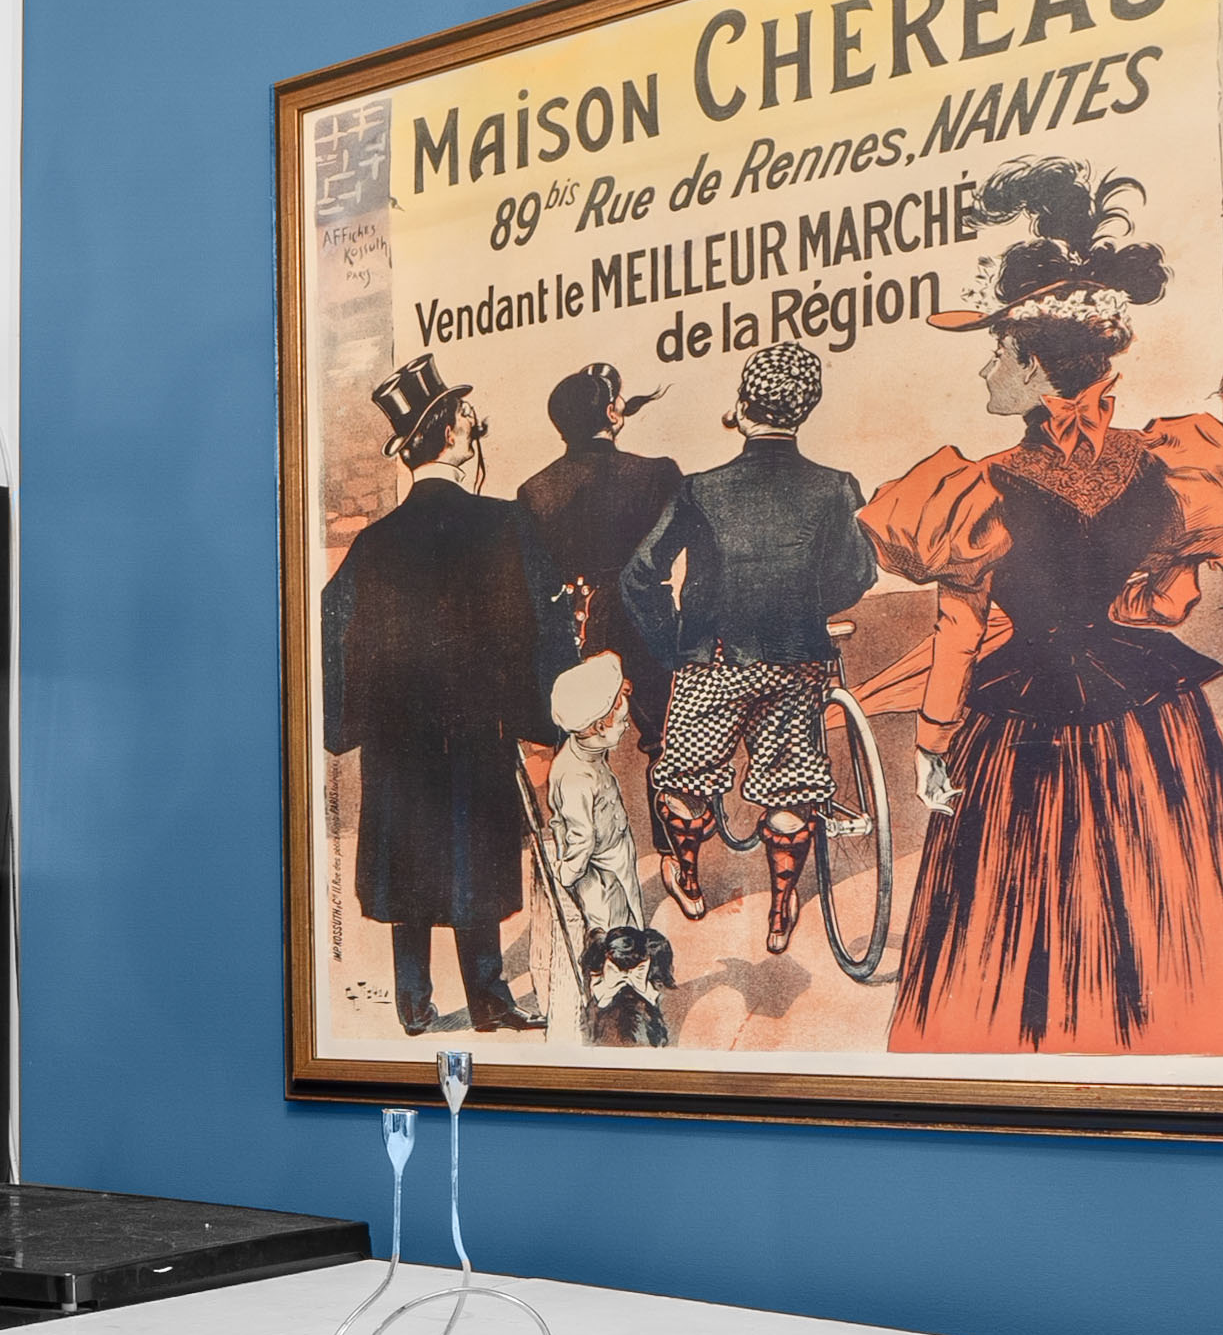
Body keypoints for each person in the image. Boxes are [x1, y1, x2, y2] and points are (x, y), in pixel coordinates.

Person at [862, 162, 1223, 1056]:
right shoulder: (1163, 468)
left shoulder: (979, 490)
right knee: (1159, 884)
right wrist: (1193, 556)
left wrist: (931, 744)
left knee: (1014, 905)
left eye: (995, 351)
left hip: (1018, 728)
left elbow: (957, 632)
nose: (988, 368)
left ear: (1031, 364)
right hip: (1147, 726)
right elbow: (1144, 608)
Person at [321, 352, 574, 1035]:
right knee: (472, 854)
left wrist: (346, 724)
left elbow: (330, 623)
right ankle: (487, 996)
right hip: (475, 729)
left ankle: (411, 1001)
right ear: (454, 437)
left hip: (397, 738)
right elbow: (539, 624)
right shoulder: (503, 523)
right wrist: (540, 721)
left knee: (409, 858)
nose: (473, 424)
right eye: (466, 416)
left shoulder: (371, 544)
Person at [625, 339, 879, 952]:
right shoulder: (837, 487)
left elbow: (639, 574)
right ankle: (783, 905)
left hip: (711, 662)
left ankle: (687, 875)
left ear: (743, 406)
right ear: (805, 409)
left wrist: (671, 646)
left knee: (684, 780)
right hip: (797, 662)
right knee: (790, 786)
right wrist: (805, 604)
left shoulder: (700, 488)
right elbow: (859, 574)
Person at [517, 360, 682, 751]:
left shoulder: (533, 491)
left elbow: (534, 579)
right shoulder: (657, 474)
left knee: (578, 747)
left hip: (577, 629)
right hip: (646, 623)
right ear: (611, 414)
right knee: (668, 747)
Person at [535, 653, 667, 1046]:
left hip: (616, 864)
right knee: (614, 942)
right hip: (599, 879)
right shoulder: (574, 776)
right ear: (596, 726)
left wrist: (614, 681)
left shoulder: (589, 754)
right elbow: (579, 840)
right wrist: (567, 874)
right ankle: (619, 1017)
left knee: (629, 928)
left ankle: (634, 1004)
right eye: (621, 719)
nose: (627, 725)